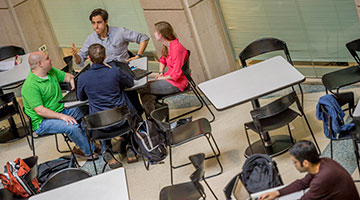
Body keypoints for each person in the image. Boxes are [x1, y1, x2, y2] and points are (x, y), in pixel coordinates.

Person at [21, 51, 100, 159]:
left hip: (60, 109)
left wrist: (71, 80)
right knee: (72, 127)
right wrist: (63, 117)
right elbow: (40, 111)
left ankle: (83, 145)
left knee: (88, 110)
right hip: (42, 121)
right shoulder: (30, 86)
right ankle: (88, 151)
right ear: (40, 64)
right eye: (47, 58)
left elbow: (67, 76)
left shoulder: (50, 71)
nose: (50, 60)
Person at [71, 8, 149, 116]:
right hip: (104, 72)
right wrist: (75, 56)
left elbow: (143, 38)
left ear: (106, 21)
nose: (96, 26)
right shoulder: (90, 39)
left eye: (99, 22)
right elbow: (81, 59)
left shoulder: (120, 32)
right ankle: (118, 118)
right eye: (93, 23)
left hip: (121, 69)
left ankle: (135, 116)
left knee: (132, 98)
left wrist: (138, 56)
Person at [77, 43, 138, 168]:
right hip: (122, 120)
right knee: (130, 109)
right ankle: (130, 146)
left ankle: (107, 150)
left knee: (99, 114)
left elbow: (81, 97)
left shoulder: (83, 77)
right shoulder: (115, 71)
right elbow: (130, 82)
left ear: (88, 58)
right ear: (105, 56)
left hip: (100, 124)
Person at [259, 140, 360, 200]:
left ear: (306, 163)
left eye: (295, 162)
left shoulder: (321, 179)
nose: (294, 165)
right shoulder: (323, 162)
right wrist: (277, 192)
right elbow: (303, 183)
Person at [139, 21, 189, 116]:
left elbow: (177, 75)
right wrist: (161, 72)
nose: (154, 33)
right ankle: (156, 120)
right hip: (169, 79)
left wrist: (162, 78)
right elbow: (163, 60)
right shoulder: (167, 46)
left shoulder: (177, 49)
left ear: (161, 34)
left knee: (142, 88)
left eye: (155, 32)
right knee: (147, 96)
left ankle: (156, 117)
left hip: (177, 83)